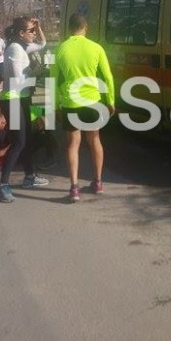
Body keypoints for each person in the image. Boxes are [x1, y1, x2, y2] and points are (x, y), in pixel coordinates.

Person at [52, 13, 115, 202]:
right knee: (94, 140)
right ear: (85, 27)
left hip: (71, 102)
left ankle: (74, 188)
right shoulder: (96, 48)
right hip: (93, 101)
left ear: (69, 28)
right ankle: (98, 182)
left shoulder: (60, 49)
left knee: (73, 144)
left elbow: (53, 79)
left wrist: (55, 104)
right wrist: (110, 101)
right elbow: (108, 76)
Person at [0, 16, 49, 202]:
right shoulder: (15, 50)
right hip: (12, 99)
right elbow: (18, 81)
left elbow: (42, 44)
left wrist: (39, 26)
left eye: (34, 30)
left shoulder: (23, 47)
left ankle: (29, 176)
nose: (34, 34)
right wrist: (38, 72)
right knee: (19, 142)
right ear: (21, 33)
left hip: (22, 97)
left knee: (26, 140)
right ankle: (3, 184)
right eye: (31, 30)